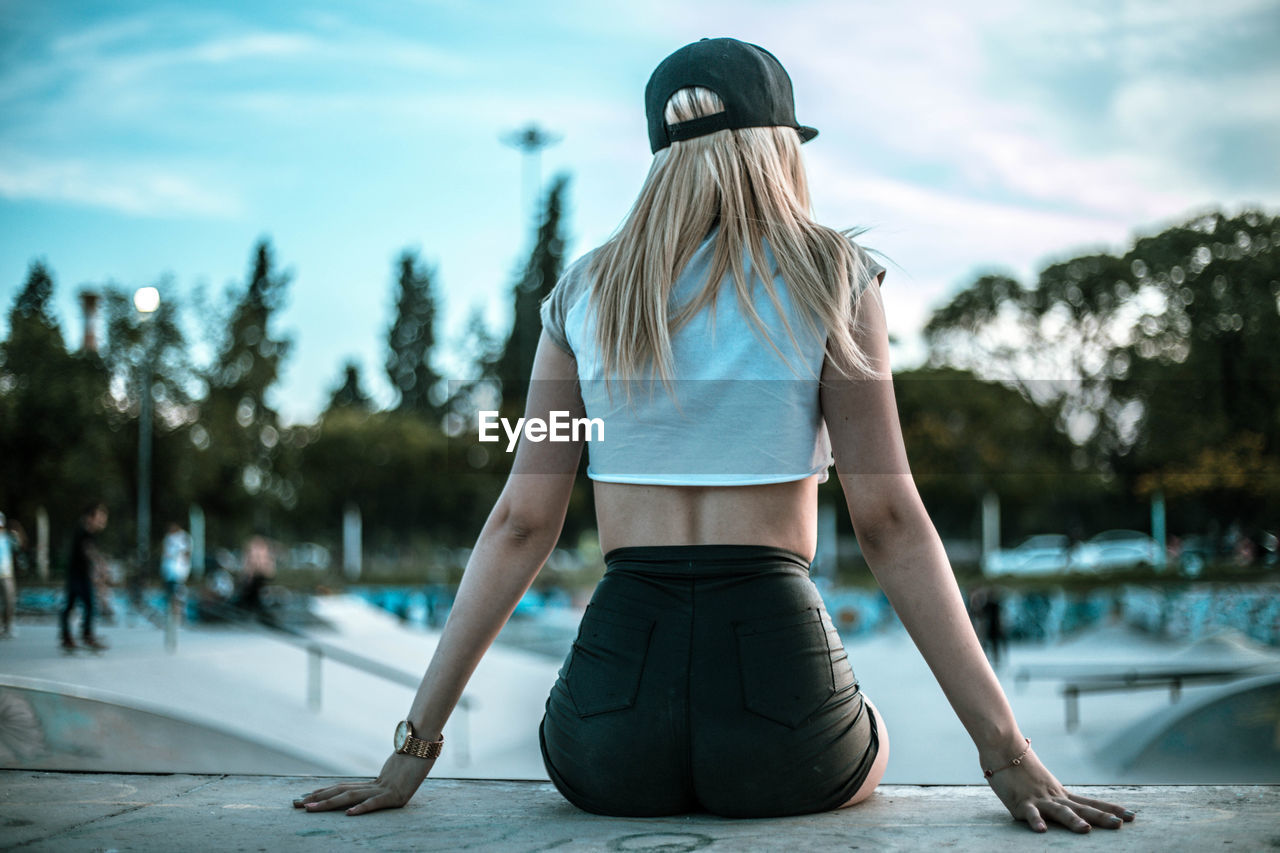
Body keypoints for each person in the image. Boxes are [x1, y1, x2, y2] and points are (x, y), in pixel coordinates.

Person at [295, 38, 1136, 833]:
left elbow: (520, 522)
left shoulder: (583, 294)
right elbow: (888, 521)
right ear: (778, 148)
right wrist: (1007, 753)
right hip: (784, 720)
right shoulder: (833, 276)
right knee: (868, 722)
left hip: (606, 734)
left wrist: (411, 753)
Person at [61, 501, 109, 651]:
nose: (103, 522)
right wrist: (100, 565)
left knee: (76, 605)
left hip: (80, 574)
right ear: (91, 517)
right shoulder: (83, 531)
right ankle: (81, 636)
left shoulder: (88, 532)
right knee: (83, 605)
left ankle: (72, 636)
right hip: (77, 575)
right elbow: (88, 551)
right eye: (100, 518)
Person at [160, 521, 192, 624]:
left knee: (178, 592)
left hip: (179, 570)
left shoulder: (184, 537)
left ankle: (179, 614)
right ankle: (173, 614)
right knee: (171, 592)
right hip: (169, 571)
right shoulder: (168, 538)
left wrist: (185, 568)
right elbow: (165, 553)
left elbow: (187, 553)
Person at [0, 511, 18, 638]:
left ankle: (8, 625)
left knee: (9, 601)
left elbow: (19, 546)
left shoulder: (7, 538)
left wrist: (17, 532)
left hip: (6, 575)